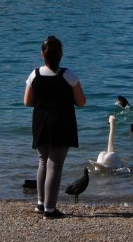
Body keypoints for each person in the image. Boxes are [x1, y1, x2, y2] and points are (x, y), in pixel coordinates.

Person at [24, 35, 86, 219]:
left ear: (42, 54)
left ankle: (41, 203)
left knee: (43, 161)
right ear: (61, 55)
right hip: (61, 122)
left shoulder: (34, 74)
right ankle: (50, 210)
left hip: (41, 121)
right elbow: (81, 102)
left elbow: (27, 102)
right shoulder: (68, 75)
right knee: (55, 165)